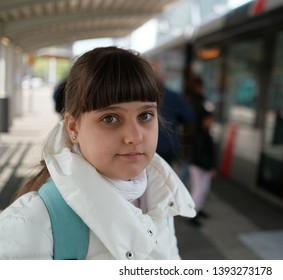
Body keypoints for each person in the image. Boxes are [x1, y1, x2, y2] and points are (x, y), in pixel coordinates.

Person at [0, 46, 196, 260]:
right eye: (110, 118)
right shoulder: (30, 224)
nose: (135, 136)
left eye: (145, 115)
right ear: (73, 128)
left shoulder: (162, 197)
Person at [188, 110, 217, 227]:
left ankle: (198, 210)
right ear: (204, 120)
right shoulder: (200, 134)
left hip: (203, 167)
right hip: (199, 167)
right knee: (198, 191)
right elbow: (200, 155)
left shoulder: (205, 133)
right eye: (210, 120)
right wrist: (210, 167)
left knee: (203, 189)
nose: (212, 122)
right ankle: (192, 215)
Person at [156, 86, 194, 165]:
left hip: (151, 146)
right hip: (167, 145)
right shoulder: (173, 96)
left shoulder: (140, 93)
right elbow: (189, 117)